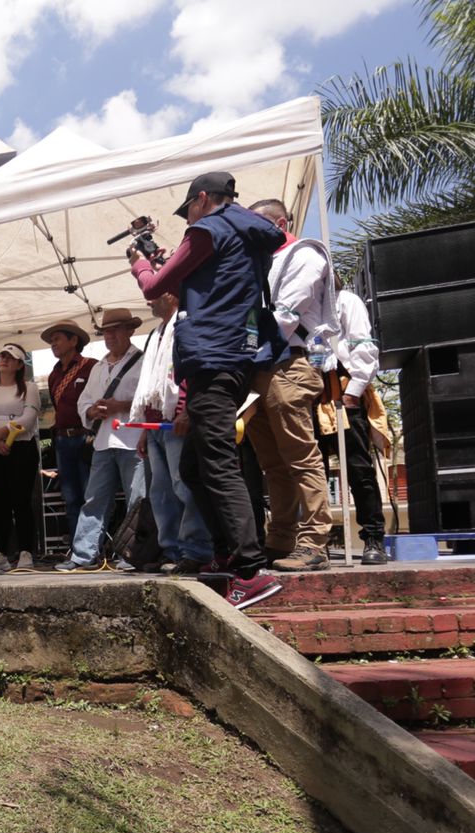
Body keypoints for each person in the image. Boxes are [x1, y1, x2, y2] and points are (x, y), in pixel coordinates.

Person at [128, 171, 288, 609]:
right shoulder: (249, 236)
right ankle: (223, 552)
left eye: (189, 210)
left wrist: (140, 263)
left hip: (212, 358)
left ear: (202, 199)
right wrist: (166, 259)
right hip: (236, 356)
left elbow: (155, 288)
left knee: (217, 463)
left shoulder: (208, 229)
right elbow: (198, 285)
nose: (188, 219)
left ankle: (250, 571)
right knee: (197, 468)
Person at [244, 198, 335, 572]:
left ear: (281, 223)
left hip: (290, 364)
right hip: (260, 368)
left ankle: (314, 543)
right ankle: (280, 539)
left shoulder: (305, 255)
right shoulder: (262, 263)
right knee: (273, 465)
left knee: (300, 457)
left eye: (259, 226)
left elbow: (284, 315)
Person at [57, 309, 146, 572]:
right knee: (94, 499)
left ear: (130, 331)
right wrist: (91, 411)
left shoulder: (143, 361)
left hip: (133, 439)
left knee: (138, 500)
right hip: (104, 441)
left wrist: (121, 405)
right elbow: (84, 401)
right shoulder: (98, 367)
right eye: (107, 331)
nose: (110, 335)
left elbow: (151, 398)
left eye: (116, 329)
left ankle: (133, 555)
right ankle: (83, 555)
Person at [131, 291, 213, 573]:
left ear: (171, 295)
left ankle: (196, 549)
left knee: (184, 486)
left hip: (176, 418)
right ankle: (172, 550)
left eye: (153, 296)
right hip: (155, 421)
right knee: (161, 492)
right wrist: (143, 428)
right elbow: (151, 381)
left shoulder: (186, 325)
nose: (148, 302)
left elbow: (194, 371)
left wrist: (188, 410)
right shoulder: (155, 333)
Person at [323, 279, 389, 564]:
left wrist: (353, 392)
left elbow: (363, 346)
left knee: (359, 469)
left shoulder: (345, 301)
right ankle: (315, 542)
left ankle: (373, 537)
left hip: (343, 391)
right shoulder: (305, 305)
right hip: (313, 393)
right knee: (313, 471)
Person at [0, 343, 41, 572]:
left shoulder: (28, 387)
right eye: (2, 356)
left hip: (21, 447)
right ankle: (0, 552)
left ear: (20, 364)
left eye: (10, 357)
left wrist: (3, 432)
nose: (4, 360)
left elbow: (29, 417)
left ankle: (25, 552)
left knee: (21, 499)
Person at [42, 320, 97, 539]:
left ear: (74, 340)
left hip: (85, 438)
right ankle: (78, 549)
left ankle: (93, 549)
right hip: (63, 441)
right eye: (51, 340)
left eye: (57, 339)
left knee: (90, 495)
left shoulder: (92, 366)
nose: (53, 344)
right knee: (70, 497)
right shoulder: (53, 375)